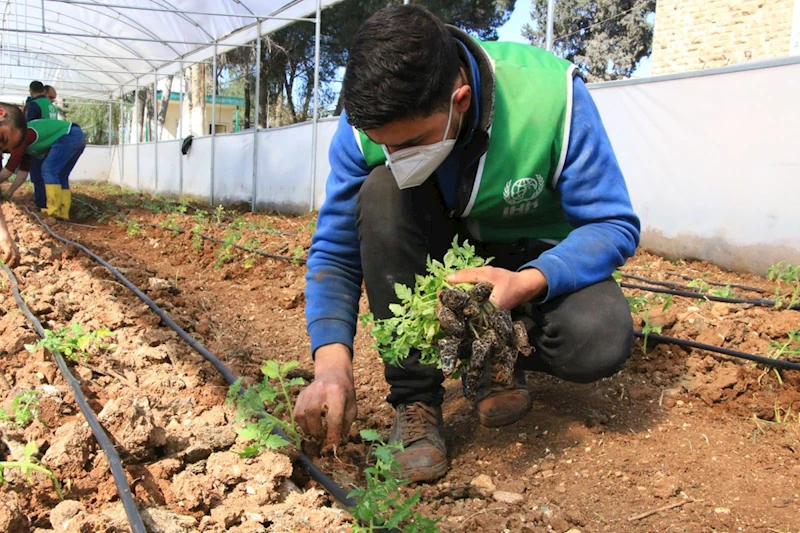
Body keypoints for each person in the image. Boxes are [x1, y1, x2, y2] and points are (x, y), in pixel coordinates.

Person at [295, 5, 641, 483]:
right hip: (440, 251)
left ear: (459, 99)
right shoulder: (364, 125)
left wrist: (528, 281)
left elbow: (612, 224)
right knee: (380, 193)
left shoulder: (551, 98)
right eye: (384, 145)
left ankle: (500, 356)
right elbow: (334, 248)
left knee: (597, 339)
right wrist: (331, 365)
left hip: (529, 256)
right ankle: (416, 398)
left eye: (410, 142)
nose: (393, 156)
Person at [0, 104, 85, 220]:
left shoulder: (19, 136)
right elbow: (22, 174)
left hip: (67, 135)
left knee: (49, 169)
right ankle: (62, 212)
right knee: (61, 175)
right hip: (76, 135)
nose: (7, 149)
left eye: (3, 142)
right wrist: (9, 193)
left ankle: (53, 210)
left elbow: (8, 171)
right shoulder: (25, 146)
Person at [16, 82, 60, 209]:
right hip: (51, 143)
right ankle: (53, 203)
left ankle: (42, 204)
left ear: (31, 91)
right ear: (43, 91)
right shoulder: (51, 106)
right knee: (49, 173)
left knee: (38, 174)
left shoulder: (34, 105)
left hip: (39, 144)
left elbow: (31, 126)